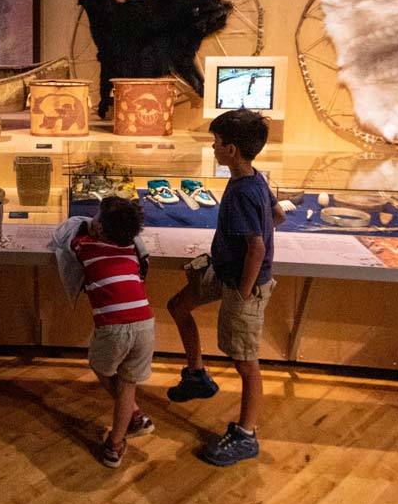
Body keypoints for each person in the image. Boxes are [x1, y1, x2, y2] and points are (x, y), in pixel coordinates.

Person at [165, 109, 284, 466]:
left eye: (216, 143)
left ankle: (247, 434)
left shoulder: (244, 191)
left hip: (241, 283)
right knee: (178, 306)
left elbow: (258, 246)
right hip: (225, 271)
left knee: (245, 361)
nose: (213, 148)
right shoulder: (252, 179)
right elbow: (278, 216)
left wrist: (245, 292)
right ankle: (197, 375)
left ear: (231, 149)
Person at [50, 196, 155, 468]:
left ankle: (131, 413)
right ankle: (116, 444)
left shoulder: (86, 247)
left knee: (102, 368)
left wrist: (84, 227)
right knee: (128, 382)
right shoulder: (131, 250)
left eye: (96, 218)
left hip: (113, 326)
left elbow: (64, 235)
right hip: (145, 323)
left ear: (99, 229)